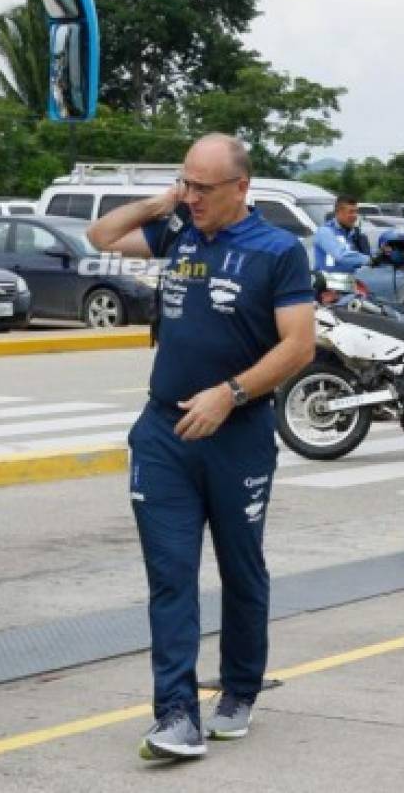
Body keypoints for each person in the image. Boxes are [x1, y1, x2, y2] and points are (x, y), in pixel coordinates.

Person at [87, 134, 315, 760]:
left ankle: (239, 688)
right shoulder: (177, 230)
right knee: (170, 576)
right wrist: (162, 202)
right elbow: (101, 237)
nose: (193, 197)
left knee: (241, 568)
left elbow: (298, 346)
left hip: (236, 434)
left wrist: (231, 394)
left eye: (204, 189)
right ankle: (176, 714)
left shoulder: (278, 252)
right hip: (164, 432)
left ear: (242, 188)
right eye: (186, 183)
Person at [312, 194, 371, 272]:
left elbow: (357, 261)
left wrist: (381, 255)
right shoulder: (325, 231)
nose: (354, 216)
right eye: (351, 212)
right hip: (327, 282)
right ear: (338, 212)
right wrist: (369, 260)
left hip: (347, 281)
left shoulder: (352, 233)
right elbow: (341, 256)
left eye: (356, 212)